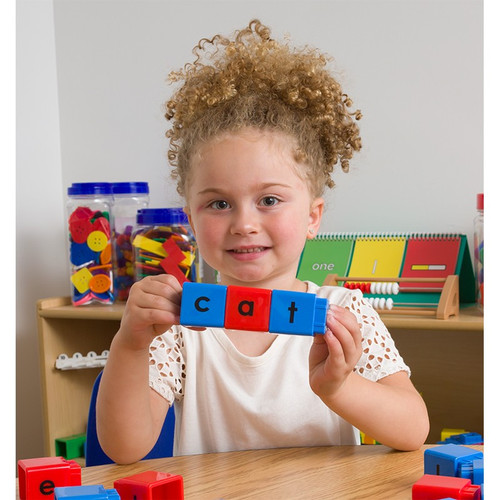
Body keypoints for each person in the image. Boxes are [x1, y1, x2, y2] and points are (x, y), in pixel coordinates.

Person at [97, 19, 429, 463]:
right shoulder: (176, 327)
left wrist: (339, 385)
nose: (244, 223)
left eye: (269, 199)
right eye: (218, 204)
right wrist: (130, 344)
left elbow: (413, 430)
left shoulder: (344, 314)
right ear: (191, 219)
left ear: (313, 217)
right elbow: (124, 448)